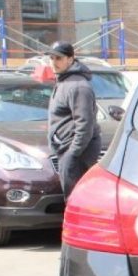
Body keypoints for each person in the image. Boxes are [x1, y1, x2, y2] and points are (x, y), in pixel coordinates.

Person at [46, 41, 102, 199]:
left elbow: (85, 125)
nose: (54, 62)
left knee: (77, 200)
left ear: (70, 59)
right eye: (51, 58)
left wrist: (73, 153)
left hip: (77, 152)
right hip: (66, 149)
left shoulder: (78, 86)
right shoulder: (64, 81)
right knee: (72, 200)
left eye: (58, 58)